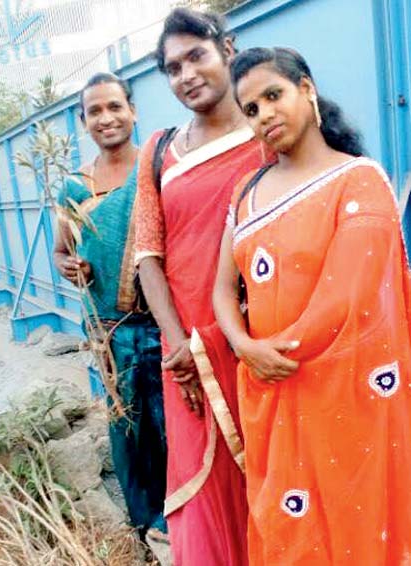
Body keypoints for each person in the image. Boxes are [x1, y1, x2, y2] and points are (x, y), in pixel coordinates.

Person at [213, 46, 411, 565]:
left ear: (307, 89)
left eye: (273, 96)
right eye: (251, 109)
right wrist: (244, 346)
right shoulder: (246, 194)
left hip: (348, 395)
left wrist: (270, 354)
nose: (264, 116)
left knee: (357, 523)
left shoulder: (358, 181)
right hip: (273, 394)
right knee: (290, 531)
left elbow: (348, 297)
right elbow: (221, 291)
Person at [135, 9, 272, 565]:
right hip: (186, 355)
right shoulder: (160, 149)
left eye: (196, 55)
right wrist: (178, 345)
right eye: (173, 67)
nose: (186, 74)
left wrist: (231, 335)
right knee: (201, 480)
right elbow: (149, 255)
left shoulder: (269, 133)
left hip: (260, 340)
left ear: (228, 48)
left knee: (275, 470)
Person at [53, 73, 167, 539]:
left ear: (133, 111)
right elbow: (60, 251)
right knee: (128, 428)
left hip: (163, 325)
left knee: (173, 424)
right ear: (83, 122)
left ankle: (180, 518)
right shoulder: (74, 189)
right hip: (109, 331)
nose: (107, 118)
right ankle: (143, 523)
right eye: (95, 111)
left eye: (115, 107)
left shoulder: (158, 170)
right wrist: (67, 265)